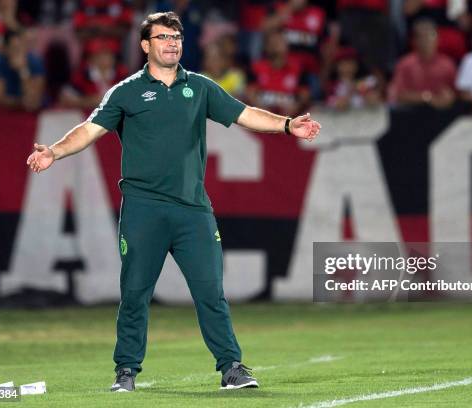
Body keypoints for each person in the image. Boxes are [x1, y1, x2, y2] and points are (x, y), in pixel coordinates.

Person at [26, 11, 320, 392]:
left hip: (193, 210)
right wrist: (54, 151)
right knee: (134, 293)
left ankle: (232, 367)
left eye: (177, 37)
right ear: (146, 45)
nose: (172, 43)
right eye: (163, 37)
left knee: (211, 292)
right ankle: (126, 372)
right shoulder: (126, 91)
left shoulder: (199, 87)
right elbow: (88, 130)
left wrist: (286, 124)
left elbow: (244, 114)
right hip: (143, 209)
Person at [389, 19, 457, 108]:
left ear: (438, 39)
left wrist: (450, 96)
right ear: (414, 41)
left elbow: (457, 93)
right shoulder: (405, 64)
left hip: (442, 115)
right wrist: (427, 98)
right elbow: (397, 94)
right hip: (410, 115)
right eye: (421, 37)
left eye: (430, 35)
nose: (426, 40)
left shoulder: (448, 64)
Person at [0, 29, 45, 111]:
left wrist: (23, 71)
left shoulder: (35, 62)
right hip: (7, 114)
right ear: (5, 50)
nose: (20, 52)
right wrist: (21, 102)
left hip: (33, 115)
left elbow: (34, 100)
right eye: (14, 48)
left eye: (22, 47)